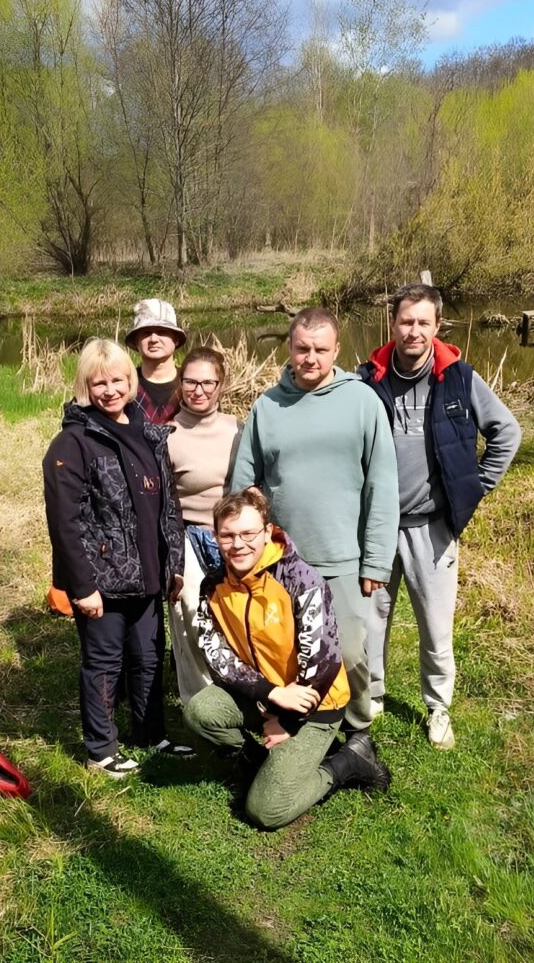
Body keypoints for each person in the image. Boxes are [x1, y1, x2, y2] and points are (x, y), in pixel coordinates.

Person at [231, 306, 399, 769]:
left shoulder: (363, 402)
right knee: (291, 650)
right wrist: (246, 547)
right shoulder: (267, 407)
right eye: (302, 348)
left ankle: (358, 730)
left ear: (337, 350)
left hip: (343, 556)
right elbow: (243, 484)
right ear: (289, 348)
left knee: (350, 651)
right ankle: (297, 720)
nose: (310, 358)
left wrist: (376, 560)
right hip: (283, 559)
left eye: (320, 350)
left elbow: (382, 485)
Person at [358, 283, 522, 749]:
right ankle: (371, 696)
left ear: (436, 326)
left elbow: (507, 432)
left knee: (435, 625)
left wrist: (474, 486)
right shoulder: (365, 380)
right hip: (375, 527)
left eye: (423, 322)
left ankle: (438, 707)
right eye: (406, 321)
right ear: (392, 324)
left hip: (432, 527)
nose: (413, 331)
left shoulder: (460, 378)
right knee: (371, 620)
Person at [185, 490, 391, 830]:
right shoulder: (213, 587)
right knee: (200, 711)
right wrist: (269, 693)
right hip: (269, 695)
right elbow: (216, 655)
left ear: (267, 532)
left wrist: (289, 722)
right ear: (216, 537)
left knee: (265, 812)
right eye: (227, 535)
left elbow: (323, 661)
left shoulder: (299, 579)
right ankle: (260, 767)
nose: (238, 544)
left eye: (248, 533)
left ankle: (350, 761)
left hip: (317, 705)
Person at [43, 338, 192, 778]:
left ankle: (150, 733)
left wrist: (174, 565)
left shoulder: (148, 433)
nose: (109, 390)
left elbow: (168, 507)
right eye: (99, 383)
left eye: (117, 381)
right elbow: (65, 524)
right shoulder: (73, 442)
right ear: (85, 387)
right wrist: (82, 586)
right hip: (102, 581)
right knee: (104, 663)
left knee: (148, 657)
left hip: (148, 573)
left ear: (131, 382)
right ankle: (101, 750)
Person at [167, 347, 241, 703]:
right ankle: (200, 701)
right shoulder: (167, 435)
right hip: (187, 534)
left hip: (234, 535)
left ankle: (241, 691)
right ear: (180, 384)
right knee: (191, 614)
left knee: (236, 616)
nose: (198, 390)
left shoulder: (238, 429)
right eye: (190, 382)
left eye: (207, 383)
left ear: (220, 385)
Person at [125, 299, 186, 424]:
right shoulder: (125, 384)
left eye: (162, 332)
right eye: (146, 333)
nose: (153, 339)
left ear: (176, 339)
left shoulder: (191, 383)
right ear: (136, 342)